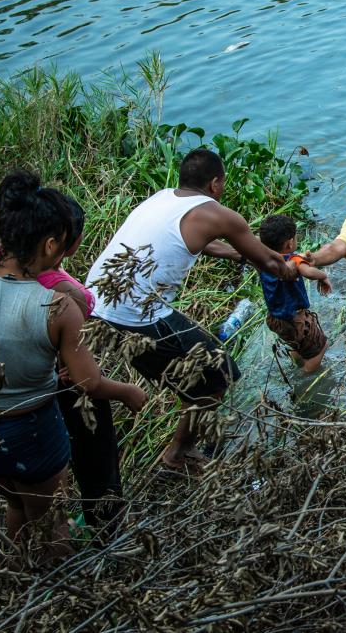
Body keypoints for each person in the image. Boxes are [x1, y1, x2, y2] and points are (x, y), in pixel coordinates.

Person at [0, 172, 147, 555]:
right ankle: (55, 591)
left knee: (18, 505)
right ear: (52, 243)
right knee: (48, 521)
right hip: (29, 438)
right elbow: (88, 383)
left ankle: (18, 571)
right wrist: (127, 391)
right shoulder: (59, 307)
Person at [84, 148, 295, 471]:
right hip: (136, 316)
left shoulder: (163, 198)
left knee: (196, 369)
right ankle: (178, 455)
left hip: (95, 305)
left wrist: (238, 256)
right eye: (223, 183)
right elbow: (269, 261)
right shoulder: (218, 213)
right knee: (220, 373)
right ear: (214, 184)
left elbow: (204, 242)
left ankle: (188, 422)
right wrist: (297, 267)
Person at [258, 215, 332, 373]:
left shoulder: (262, 260)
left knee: (297, 342)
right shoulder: (294, 259)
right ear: (290, 243)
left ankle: (297, 360)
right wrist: (323, 276)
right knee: (320, 348)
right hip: (295, 319)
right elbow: (309, 272)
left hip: (275, 319)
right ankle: (303, 377)